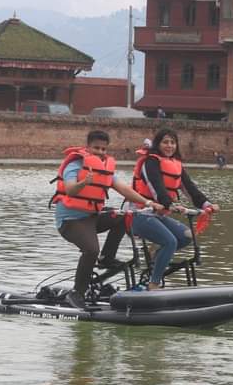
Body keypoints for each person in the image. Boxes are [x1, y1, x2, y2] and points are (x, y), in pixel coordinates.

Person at [52, 130, 164, 310]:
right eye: (96, 148)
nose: (100, 152)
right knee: (91, 249)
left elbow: (124, 189)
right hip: (70, 221)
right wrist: (83, 183)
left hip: (91, 217)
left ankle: (107, 258)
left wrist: (149, 202)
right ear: (87, 147)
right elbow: (71, 189)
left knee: (121, 217)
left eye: (104, 149)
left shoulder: (104, 167)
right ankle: (76, 294)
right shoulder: (76, 164)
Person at [103, 128, 219, 290]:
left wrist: (207, 205)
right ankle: (154, 284)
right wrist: (170, 204)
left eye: (172, 142)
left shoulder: (176, 165)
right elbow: (156, 187)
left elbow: (190, 189)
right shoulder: (150, 161)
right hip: (139, 215)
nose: (169, 146)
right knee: (170, 241)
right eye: (165, 142)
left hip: (159, 215)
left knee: (186, 236)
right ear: (158, 144)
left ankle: (156, 256)